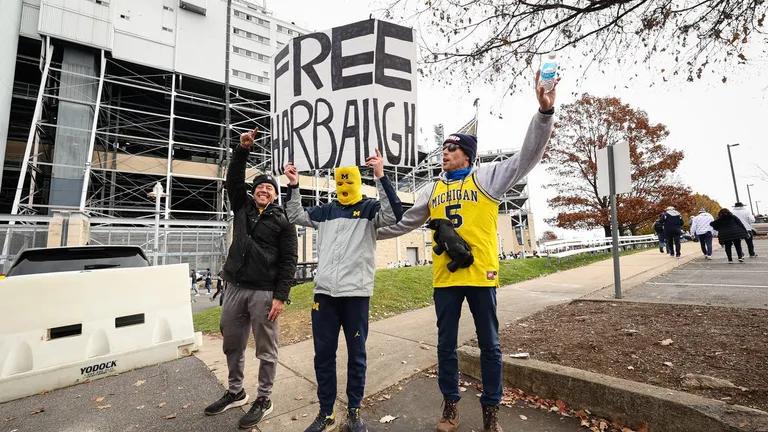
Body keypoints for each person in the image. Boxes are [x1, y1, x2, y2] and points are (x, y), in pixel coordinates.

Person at [378, 72, 557, 432]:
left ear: (467, 155)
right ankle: (450, 405)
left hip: (481, 274)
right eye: (443, 148)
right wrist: (364, 235)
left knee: (490, 345)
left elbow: (527, 157)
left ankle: (491, 409)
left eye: (452, 149)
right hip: (445, 278)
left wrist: (543, 113)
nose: (444, 153)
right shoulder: (432, 189)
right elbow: (404, 224)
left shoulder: (488, 177)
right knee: (446, 346)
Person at [284, 149, 403, 432]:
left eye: (349, 181)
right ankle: (326, 412)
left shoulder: (371, 209)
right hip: (324, 296)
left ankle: (353, 411)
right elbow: (295, 215)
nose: (344, 187)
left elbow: (395, 214)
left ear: (358, 181)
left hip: (356, 295)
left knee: (356, 355)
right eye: (340, 182)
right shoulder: (325, 211)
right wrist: (293, 185)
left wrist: (381, 175)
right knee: (323, 355)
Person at [204, 128, 298, 430]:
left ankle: (264, 398)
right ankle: (235, 391)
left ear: (274, 194)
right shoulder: (242, 207)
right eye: (260, 186)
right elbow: (233, 181)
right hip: (234, 287)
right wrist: (241, 151)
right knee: (232, 342)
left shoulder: (283, 221)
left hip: (264, 292)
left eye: (270, 188)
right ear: (253, 192)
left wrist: (280, 296)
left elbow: (289, 262)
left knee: (266, 349)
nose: (264, 190)